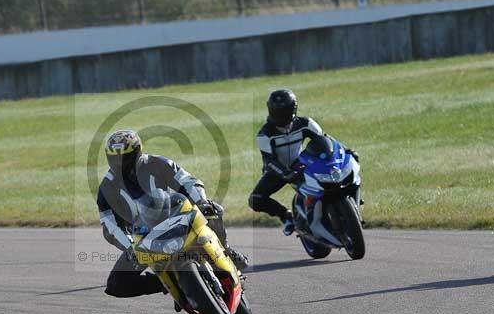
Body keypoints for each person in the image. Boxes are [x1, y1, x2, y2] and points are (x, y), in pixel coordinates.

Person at [97, 129, 248, 298]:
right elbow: (109, 225)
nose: (121, 163)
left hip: (175, 215)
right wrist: (130, 246)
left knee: (213, 210)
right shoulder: (106, 187)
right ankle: (168, 284)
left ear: (137, 152)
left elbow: (187, 181)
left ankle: (226, 251)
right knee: (116, 285)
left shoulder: (155, 163)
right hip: (144, 239)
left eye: (126, 158)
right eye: (115, 159)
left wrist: (201, 201)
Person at [248, 88, 352, 235]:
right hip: (276, 171)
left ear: (293, 109)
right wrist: (286, 173)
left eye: (283, 111)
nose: (279, 115)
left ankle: (341, 208)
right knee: (255, 200)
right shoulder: (265, 134)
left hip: (301, 164)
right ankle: (286, 216)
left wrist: (346, 151)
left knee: (328, 183)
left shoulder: (306, 123)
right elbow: (269, 162)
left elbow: (327, 140)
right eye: (275, 111)